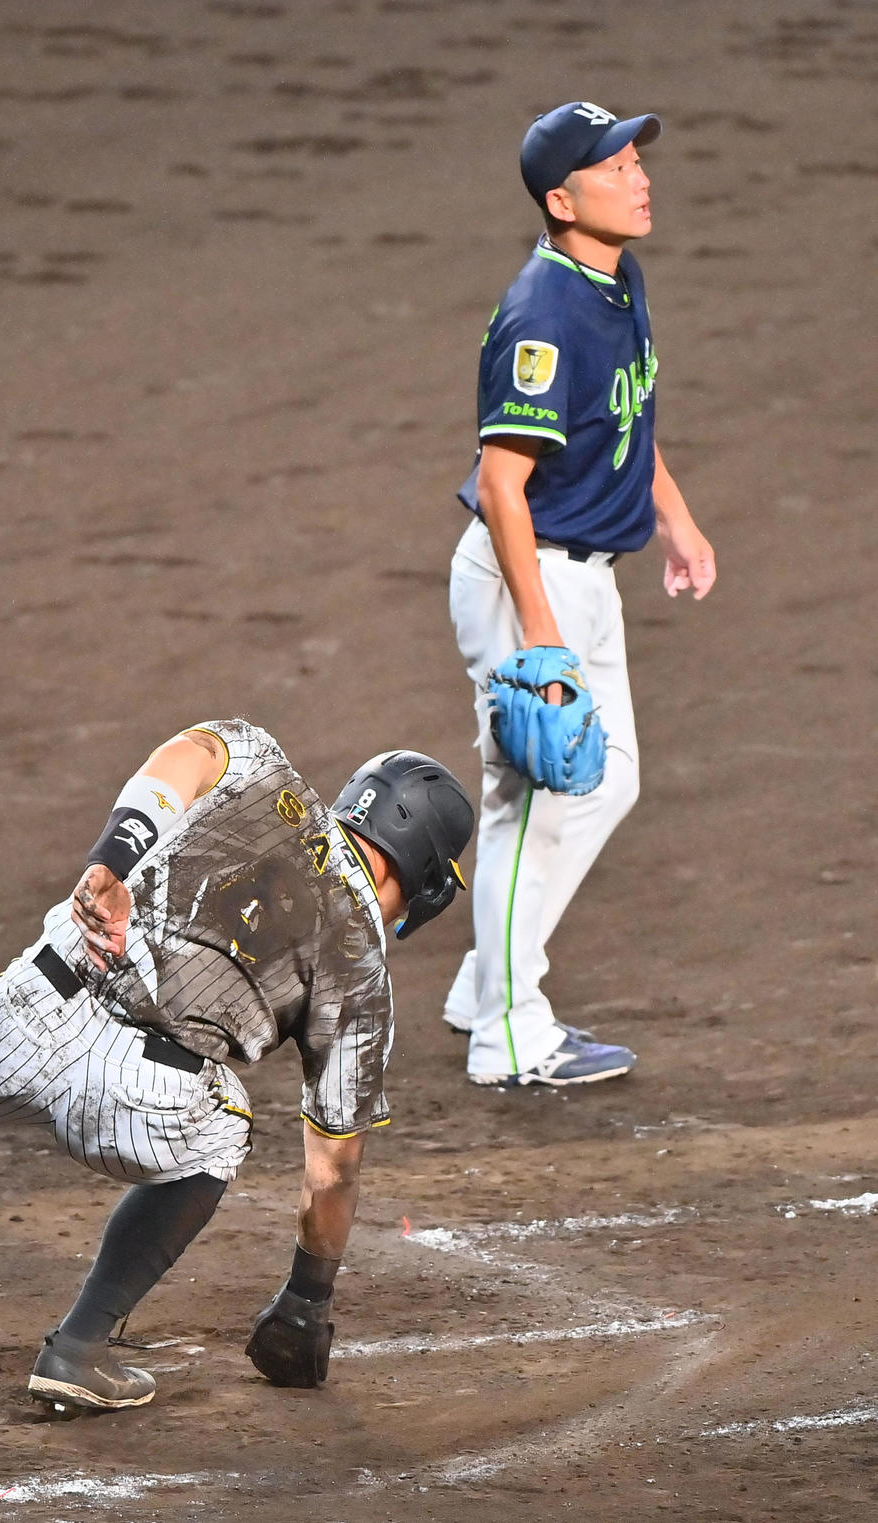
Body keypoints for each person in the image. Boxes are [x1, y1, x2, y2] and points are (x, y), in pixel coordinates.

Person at [0, 718, 473, 1434]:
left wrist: (111, 859)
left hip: (30, 1011)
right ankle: (77, 1349)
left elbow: (188, 754)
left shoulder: (261, 763)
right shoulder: (364, 976)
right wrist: (307, 1300)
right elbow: (332, 1168)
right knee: (222, 1127)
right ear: (428, 884)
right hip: (139, 1102)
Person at [443, 102, 716, 1087]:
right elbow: (505, 484)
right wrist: (543, 642)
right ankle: (505, 1035)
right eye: (614, 169)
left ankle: (488, 977)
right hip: (528, 575)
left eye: (637, 160)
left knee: (609, 779)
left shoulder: (614, 278)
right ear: (562, 201)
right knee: (533, 805)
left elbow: (626, 422)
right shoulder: (543, 315)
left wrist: (674, 520)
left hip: (584, 571)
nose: (638, 179)